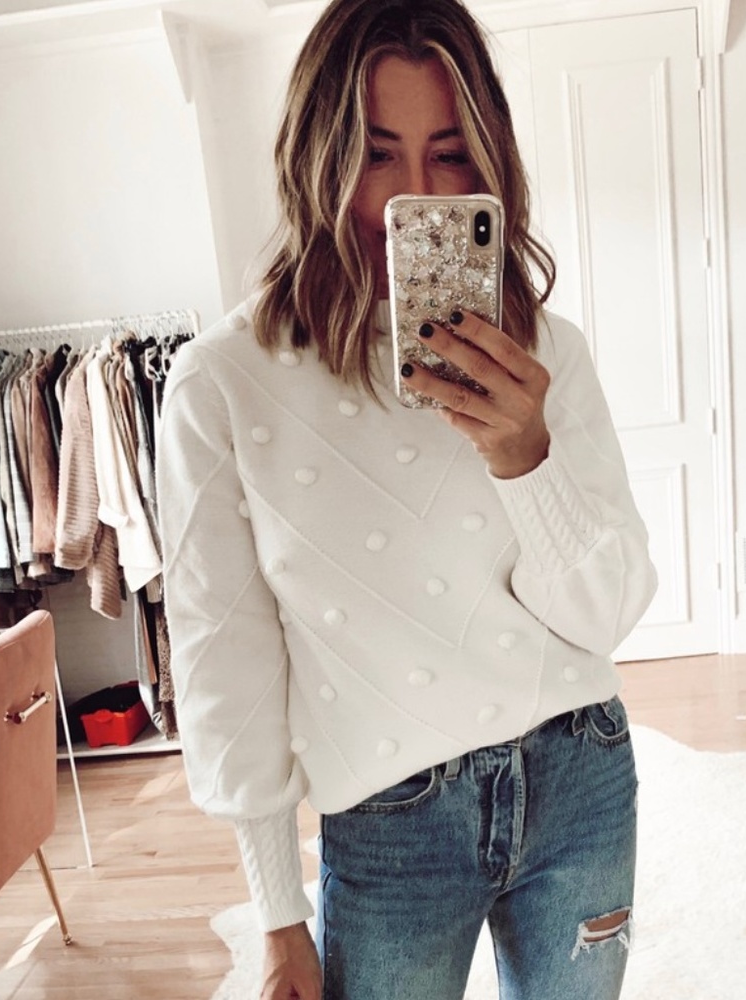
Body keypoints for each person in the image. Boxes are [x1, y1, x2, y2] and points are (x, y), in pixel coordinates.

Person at [156, 0, 658, 997]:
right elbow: (226, 660)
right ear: (317, 157)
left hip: (580, 778)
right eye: (377, 154)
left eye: (450, 155)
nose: (414, 195)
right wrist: (276, 914)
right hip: (390, 827)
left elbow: (607, 615)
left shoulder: (543, 354)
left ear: (489, 162)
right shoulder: (224, 383)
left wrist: (526, 459)